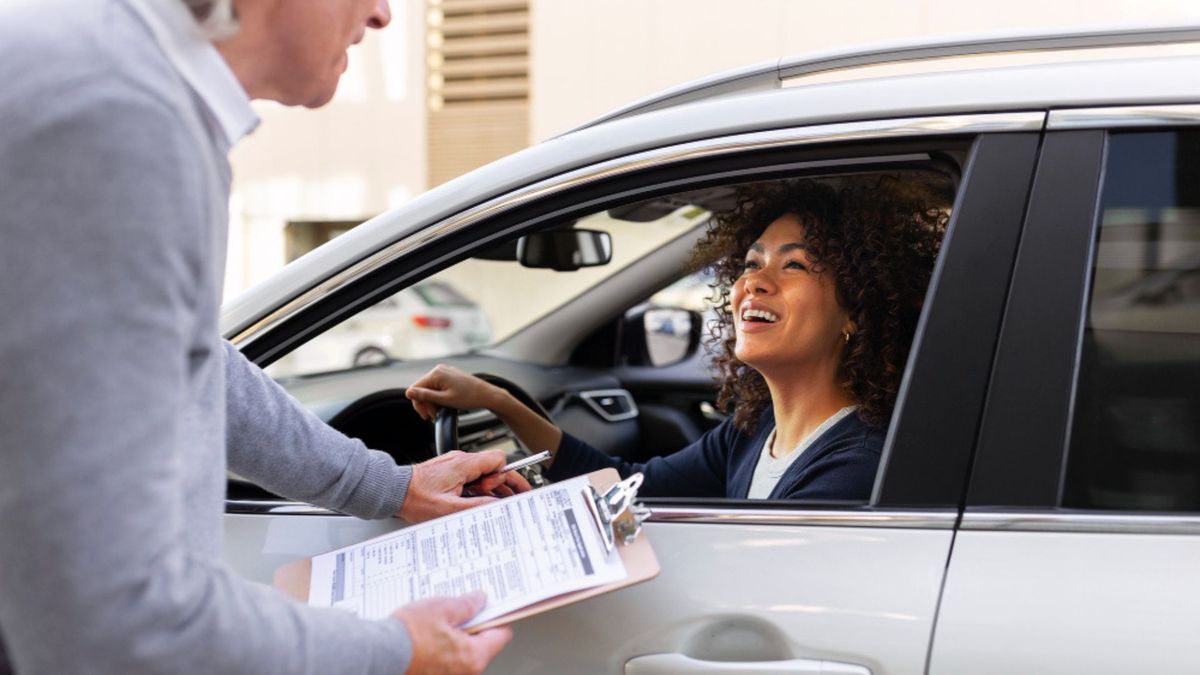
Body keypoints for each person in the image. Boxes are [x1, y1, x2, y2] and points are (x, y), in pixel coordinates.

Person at [0, 1, 525, 673]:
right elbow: (122, 618)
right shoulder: (117, 121)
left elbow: (193, 366)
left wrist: (387, 486)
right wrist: (396, 650)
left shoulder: (115, 84)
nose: (384, 14)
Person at [407, 177, 947, 501]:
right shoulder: (755, 432)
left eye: (796, 265)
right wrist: (499, 403)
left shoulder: (853, 465)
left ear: (857, 309)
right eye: (751, 262)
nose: (753, 281)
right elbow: (629, 484)